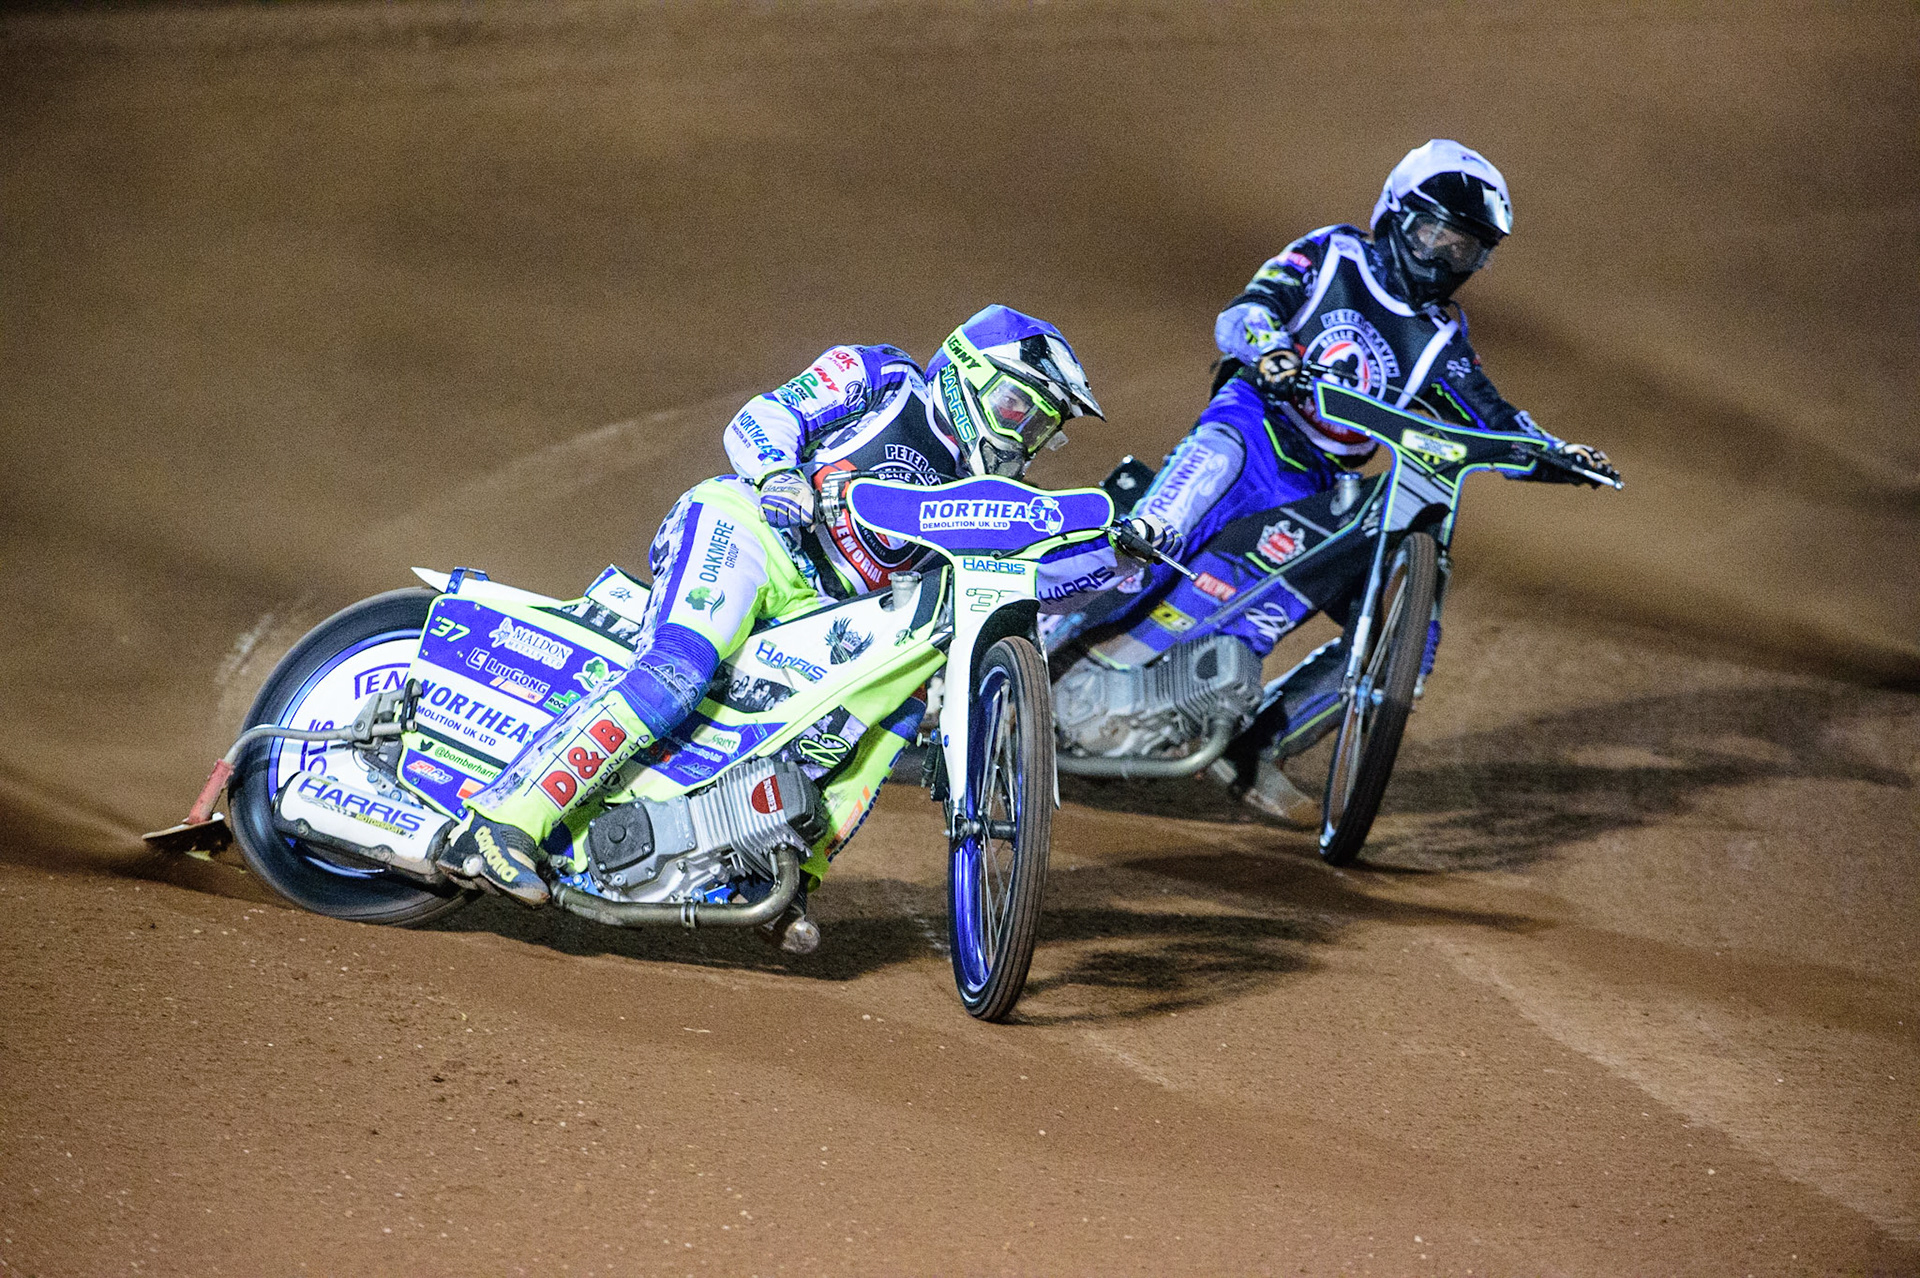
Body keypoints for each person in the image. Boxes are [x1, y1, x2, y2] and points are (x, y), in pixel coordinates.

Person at [442, 305, 1139, 910]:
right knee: (681, 668)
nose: (1027, 436)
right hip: (751, 532)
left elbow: (1036, 575)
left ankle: (782, 875)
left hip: (827, 615)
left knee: (889, 714)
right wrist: (780, 473)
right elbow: (765, 415)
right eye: (1022, 410)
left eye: (1044, 427)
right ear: (971, 378)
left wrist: (1127, 549)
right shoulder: (884, 377)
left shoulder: (993, 500)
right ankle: (501, 824)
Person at [1054, 140, 1615, 825]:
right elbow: (1244, 314)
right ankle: (1028, 649)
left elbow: (1495, 422)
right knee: (1170, 517)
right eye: (1433, 233)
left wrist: (1558, 454)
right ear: (1394, 214)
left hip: (1316, 485)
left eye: (1463, 249)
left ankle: (1258, 747)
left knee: (1410, 634)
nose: (1442, 258)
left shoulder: (1442, 340)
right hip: (1253, 427)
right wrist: (1272, 352)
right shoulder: (1331, 255)